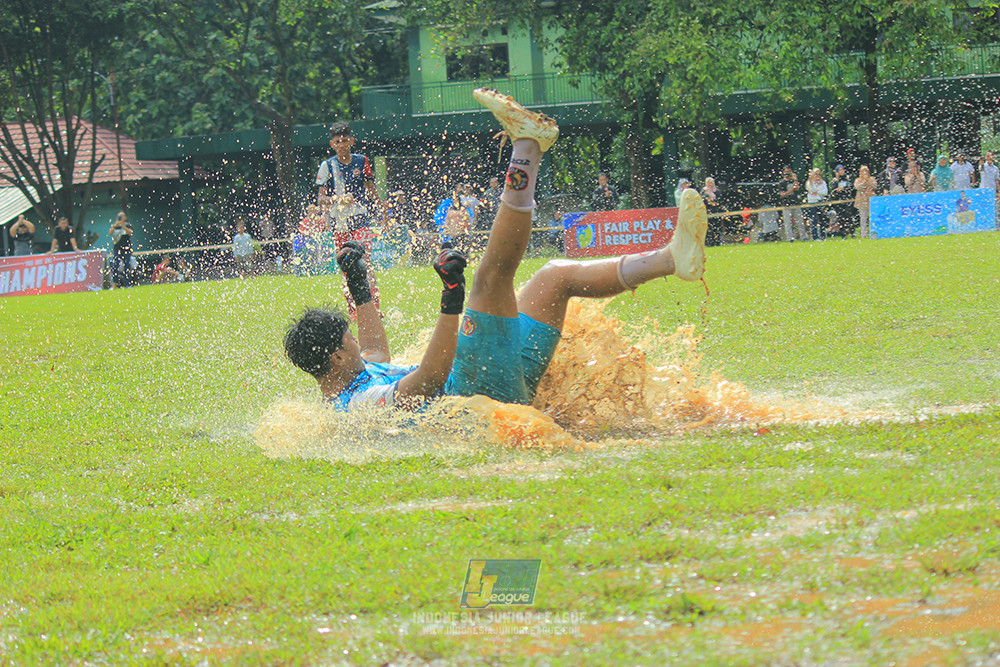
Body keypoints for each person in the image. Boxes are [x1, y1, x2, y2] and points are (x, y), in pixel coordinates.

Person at [284, 89, 708, 411]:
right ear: (336, 356)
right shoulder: (356, 406)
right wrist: (451, 299)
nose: (356, 339)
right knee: (490, 279)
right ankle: (526, 147)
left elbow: (375, 350)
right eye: (348, 336)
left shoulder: (354, 372)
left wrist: (358, 285)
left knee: (556, 276)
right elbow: (428, 380)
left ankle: (672, 258)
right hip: (477, 395)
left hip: (491, 379)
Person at [315, 121, 384, 313]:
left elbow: (370, 188)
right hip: (339, 224)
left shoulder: (361, 161)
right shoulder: (327, 165)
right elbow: (321, 200)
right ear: (332, 144)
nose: (342, 145)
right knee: (347, 266)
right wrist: (338, 199)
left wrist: (382, 211)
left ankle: (374, 309)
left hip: (360, 220)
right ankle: (355, 310)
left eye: (345, 140)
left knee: (365, 263)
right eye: (338, 142)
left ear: (351, 141)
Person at [433, 187, 473, 252]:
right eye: (454, 200)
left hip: (462, 232)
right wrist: (446, 229)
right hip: (453, 233)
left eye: (456, 200)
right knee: (454, 249)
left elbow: (467, 219)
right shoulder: (450, 211)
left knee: (463, 250)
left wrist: (465, 228)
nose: (455, 202)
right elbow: (447, 221)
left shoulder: (464, 210)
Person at [778, 166, 807, 242]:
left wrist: (795, 179)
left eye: (789, 172)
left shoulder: (793, 181)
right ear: (784, 173)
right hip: (786, 205)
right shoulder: (782, 183)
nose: (788, 174)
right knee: (788, 223)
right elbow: (782, 194)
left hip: (796, 203)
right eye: (787, 172)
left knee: (800, 221)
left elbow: (797, 188)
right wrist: (791, 190)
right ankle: (790, 238)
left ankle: (803, 237)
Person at [108, 212, 133, 288]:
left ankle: (127, 284)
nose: (120, 218)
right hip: (117, 248)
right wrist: (115, 225)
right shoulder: (115, 226)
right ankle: (114, 285)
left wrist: (123, 226)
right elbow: (110, 233)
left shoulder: (128, 225)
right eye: (119, 216)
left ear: (125, 217)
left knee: (127, 266)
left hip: (126, 248)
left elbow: (130, 233)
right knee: (115, 266)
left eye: (122, 216)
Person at [829, 164, 855, 236]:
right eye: (839, 170)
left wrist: (843, 189)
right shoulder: (835, 180)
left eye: (842, 170)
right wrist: (837, 181)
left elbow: (850, 187)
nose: (841, 171)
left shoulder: (847, 178)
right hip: (839, 201)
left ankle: (852, 232)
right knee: (840, 218)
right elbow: (833, 189)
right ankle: (843, 233)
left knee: (849, 216)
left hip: (847, 200)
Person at [804, 168, 829, 241]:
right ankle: (815, 237)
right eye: (816, 174)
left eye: (819, 174)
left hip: (820, 202)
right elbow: (811, 190)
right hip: (812, 202)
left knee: (822, 219)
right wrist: (813, 184)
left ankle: (823, 236)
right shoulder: (809, 182)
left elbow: (825, 192)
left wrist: (817, 191)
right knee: (814, 219)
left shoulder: (823, 182)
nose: (818, 176)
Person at [853, 166, 877, 239]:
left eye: (866, 171)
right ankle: (863, 234)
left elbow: (874, 185)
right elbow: (858, 187)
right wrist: (864, 181)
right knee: (863, 219)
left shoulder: (872, 179)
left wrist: (868, 180)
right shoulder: (858, 180)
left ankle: (873, 233)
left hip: (871, 200)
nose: (865, 173)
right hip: (862, 201)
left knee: (873, 218)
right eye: (863, 171)